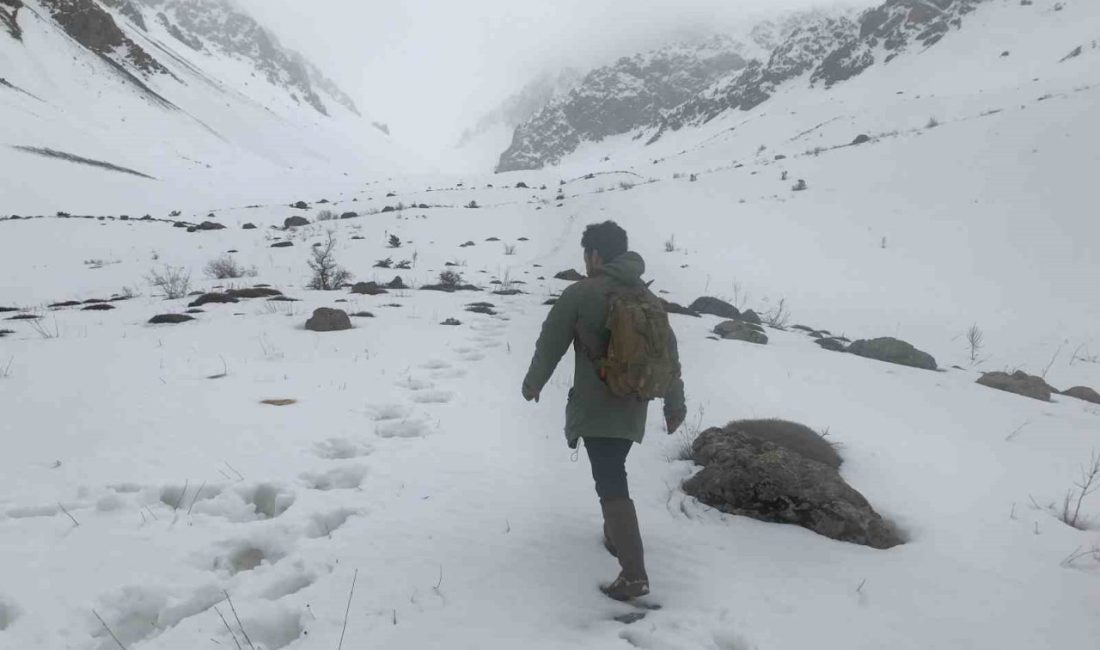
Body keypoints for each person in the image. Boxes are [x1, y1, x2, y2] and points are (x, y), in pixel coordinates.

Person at [522, 220, 687, 601]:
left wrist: (533, 383)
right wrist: (675, 404)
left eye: (586, 254)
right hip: (634, 403)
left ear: (595, 254)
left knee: (610, 480)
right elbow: (669, 355)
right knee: (614, 468)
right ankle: (616, 537)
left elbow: (550, 343)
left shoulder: (582, 293)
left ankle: (633, 574)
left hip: (598, 406)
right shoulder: (646, 296)